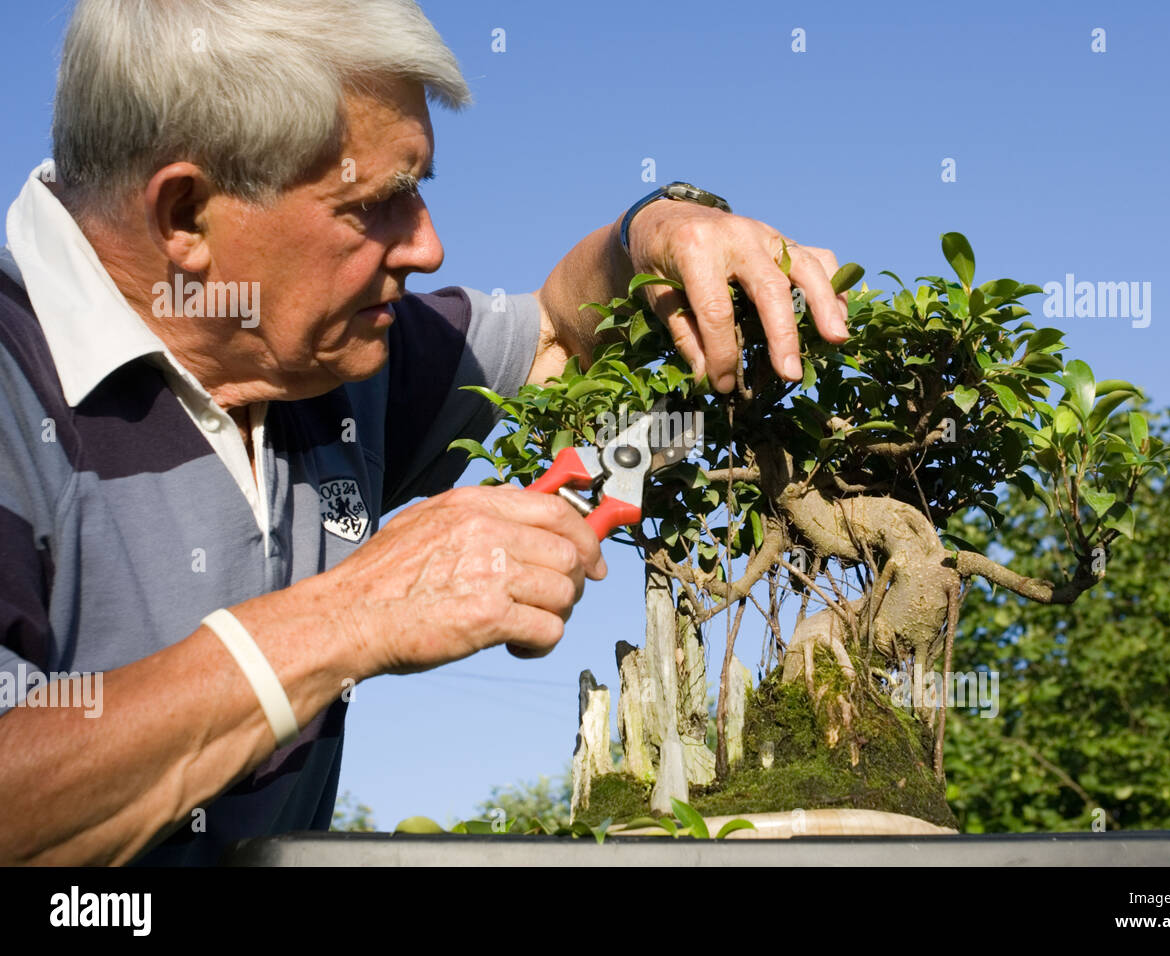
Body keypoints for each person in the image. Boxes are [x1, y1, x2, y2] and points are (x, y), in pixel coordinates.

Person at [0, 0, 850, 865]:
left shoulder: (330, 354)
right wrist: (349, 617)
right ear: (184, 214)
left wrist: (661, 227)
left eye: (421, 190)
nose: (430, 248)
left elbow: (563, 333)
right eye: (379, 202)